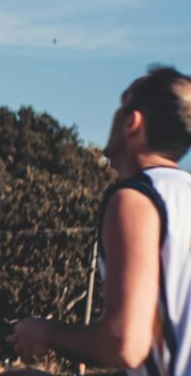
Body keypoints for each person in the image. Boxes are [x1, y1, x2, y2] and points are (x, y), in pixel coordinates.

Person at [10, 66, 191, 375]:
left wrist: (45, 332)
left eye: (122, 105)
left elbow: (124, 344)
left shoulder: (137, 199)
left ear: (132, 122)